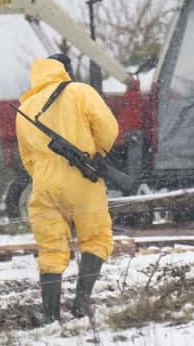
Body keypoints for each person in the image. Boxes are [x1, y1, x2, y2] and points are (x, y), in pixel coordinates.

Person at [16, 53, 119, 323]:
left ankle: (50, 315)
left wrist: (44, 174)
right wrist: (98, 154)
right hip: (82, 179)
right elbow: (108, 128)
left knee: (50, 249)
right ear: (66, 70)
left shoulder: (25, 107)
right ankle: (81, 304)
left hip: (43, 185)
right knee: (96, 238)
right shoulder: (80, 91)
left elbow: (26, 157)